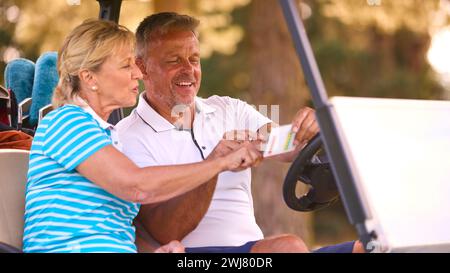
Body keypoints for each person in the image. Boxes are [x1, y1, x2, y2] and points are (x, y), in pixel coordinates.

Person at [117, 12, 363, 253]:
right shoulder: (128, 137)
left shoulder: (229, 109)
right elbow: (163, 232)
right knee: (288, 247)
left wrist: (307, 129)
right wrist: (216, 162)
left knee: (374, 246)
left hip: (257, 250)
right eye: (174, 60)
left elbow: (287, 146)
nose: (188, 70)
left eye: (194, 59)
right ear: (142, 68)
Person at [22, 19, 261, 253]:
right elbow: (137, 186)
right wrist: (219, 162)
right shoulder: (67, 121)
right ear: (89, 77)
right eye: (126, 65)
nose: (138, 73)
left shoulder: (107, 136)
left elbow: (119, 226)